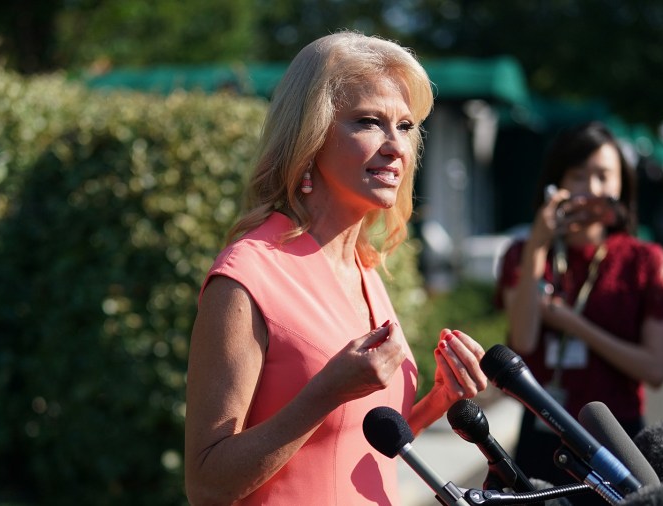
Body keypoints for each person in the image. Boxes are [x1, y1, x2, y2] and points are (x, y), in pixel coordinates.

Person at [183, 31, 488, 506]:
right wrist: (323, 393)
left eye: (405, 127)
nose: (396, 147)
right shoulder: (248, 275)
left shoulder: (364, 266)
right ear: (310, 134)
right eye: (369, 122)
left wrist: (437, 401)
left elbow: (354, 441)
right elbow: (206, 484)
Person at [494, 121, 663, 499]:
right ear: (557, 183)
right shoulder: (524, 253)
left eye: (603, 176)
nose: (591, 189)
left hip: (617, 436)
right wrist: (537, 246)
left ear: (621, 186)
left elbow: (654, 369)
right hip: (541, 429)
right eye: (578, 176)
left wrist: (574, 324)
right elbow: (523, 340)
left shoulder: (645, 260)